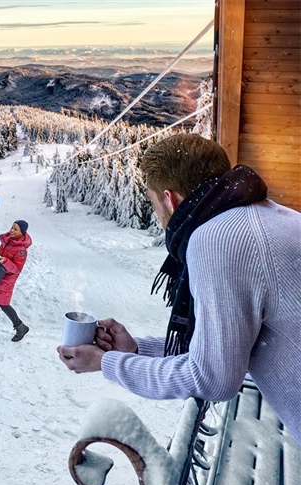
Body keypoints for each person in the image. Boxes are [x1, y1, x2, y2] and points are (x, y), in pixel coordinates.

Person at [56, 133, 301, 443]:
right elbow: (224, 348)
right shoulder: (271, 215)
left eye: (153, 202)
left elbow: (212, 379)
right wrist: (136, 349)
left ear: (170, 200)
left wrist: (104, 363)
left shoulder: (216, 239)